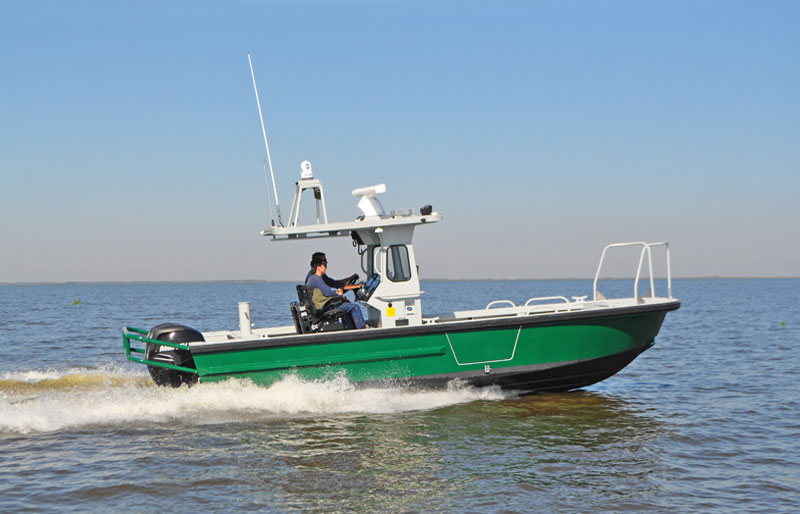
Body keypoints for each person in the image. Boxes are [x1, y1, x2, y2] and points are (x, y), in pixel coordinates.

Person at [306, 255, 367, 329]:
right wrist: (338, 293)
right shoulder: (316, 278)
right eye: (324, 265)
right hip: (325, 307)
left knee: (346, 304)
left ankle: (352, 328)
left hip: (320, 307)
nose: (326, 267)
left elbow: (333, 285)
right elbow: (328, 293)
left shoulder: (313, 278)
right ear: (319, 267)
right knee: (355, 307)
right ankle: (362, 330)